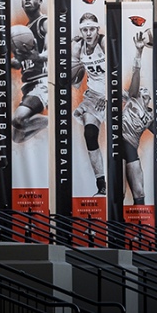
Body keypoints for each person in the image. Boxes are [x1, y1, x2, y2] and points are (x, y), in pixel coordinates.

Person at [71, 13, 110, 195]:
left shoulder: (103, 43)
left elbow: (115, 69)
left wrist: (108, 94)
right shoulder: (77, 46)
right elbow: (76, 82)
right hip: (93, 95)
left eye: (91, 29)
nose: (88, 33)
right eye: (85, 30)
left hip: (112, 91)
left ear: (97, 29)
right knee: (90, 133)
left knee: (122, 139)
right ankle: (101, 183)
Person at [118, 28, 152, 206]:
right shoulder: (132, 97)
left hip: (131, 147)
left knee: (139, 190)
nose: (144, 93)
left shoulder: (151, 115)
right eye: (142, 91)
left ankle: (140, 227)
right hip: (118, 142)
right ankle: (118, 228)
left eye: (147, 93)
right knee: (120, 190)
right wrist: (139, 52)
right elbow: (135, 80)